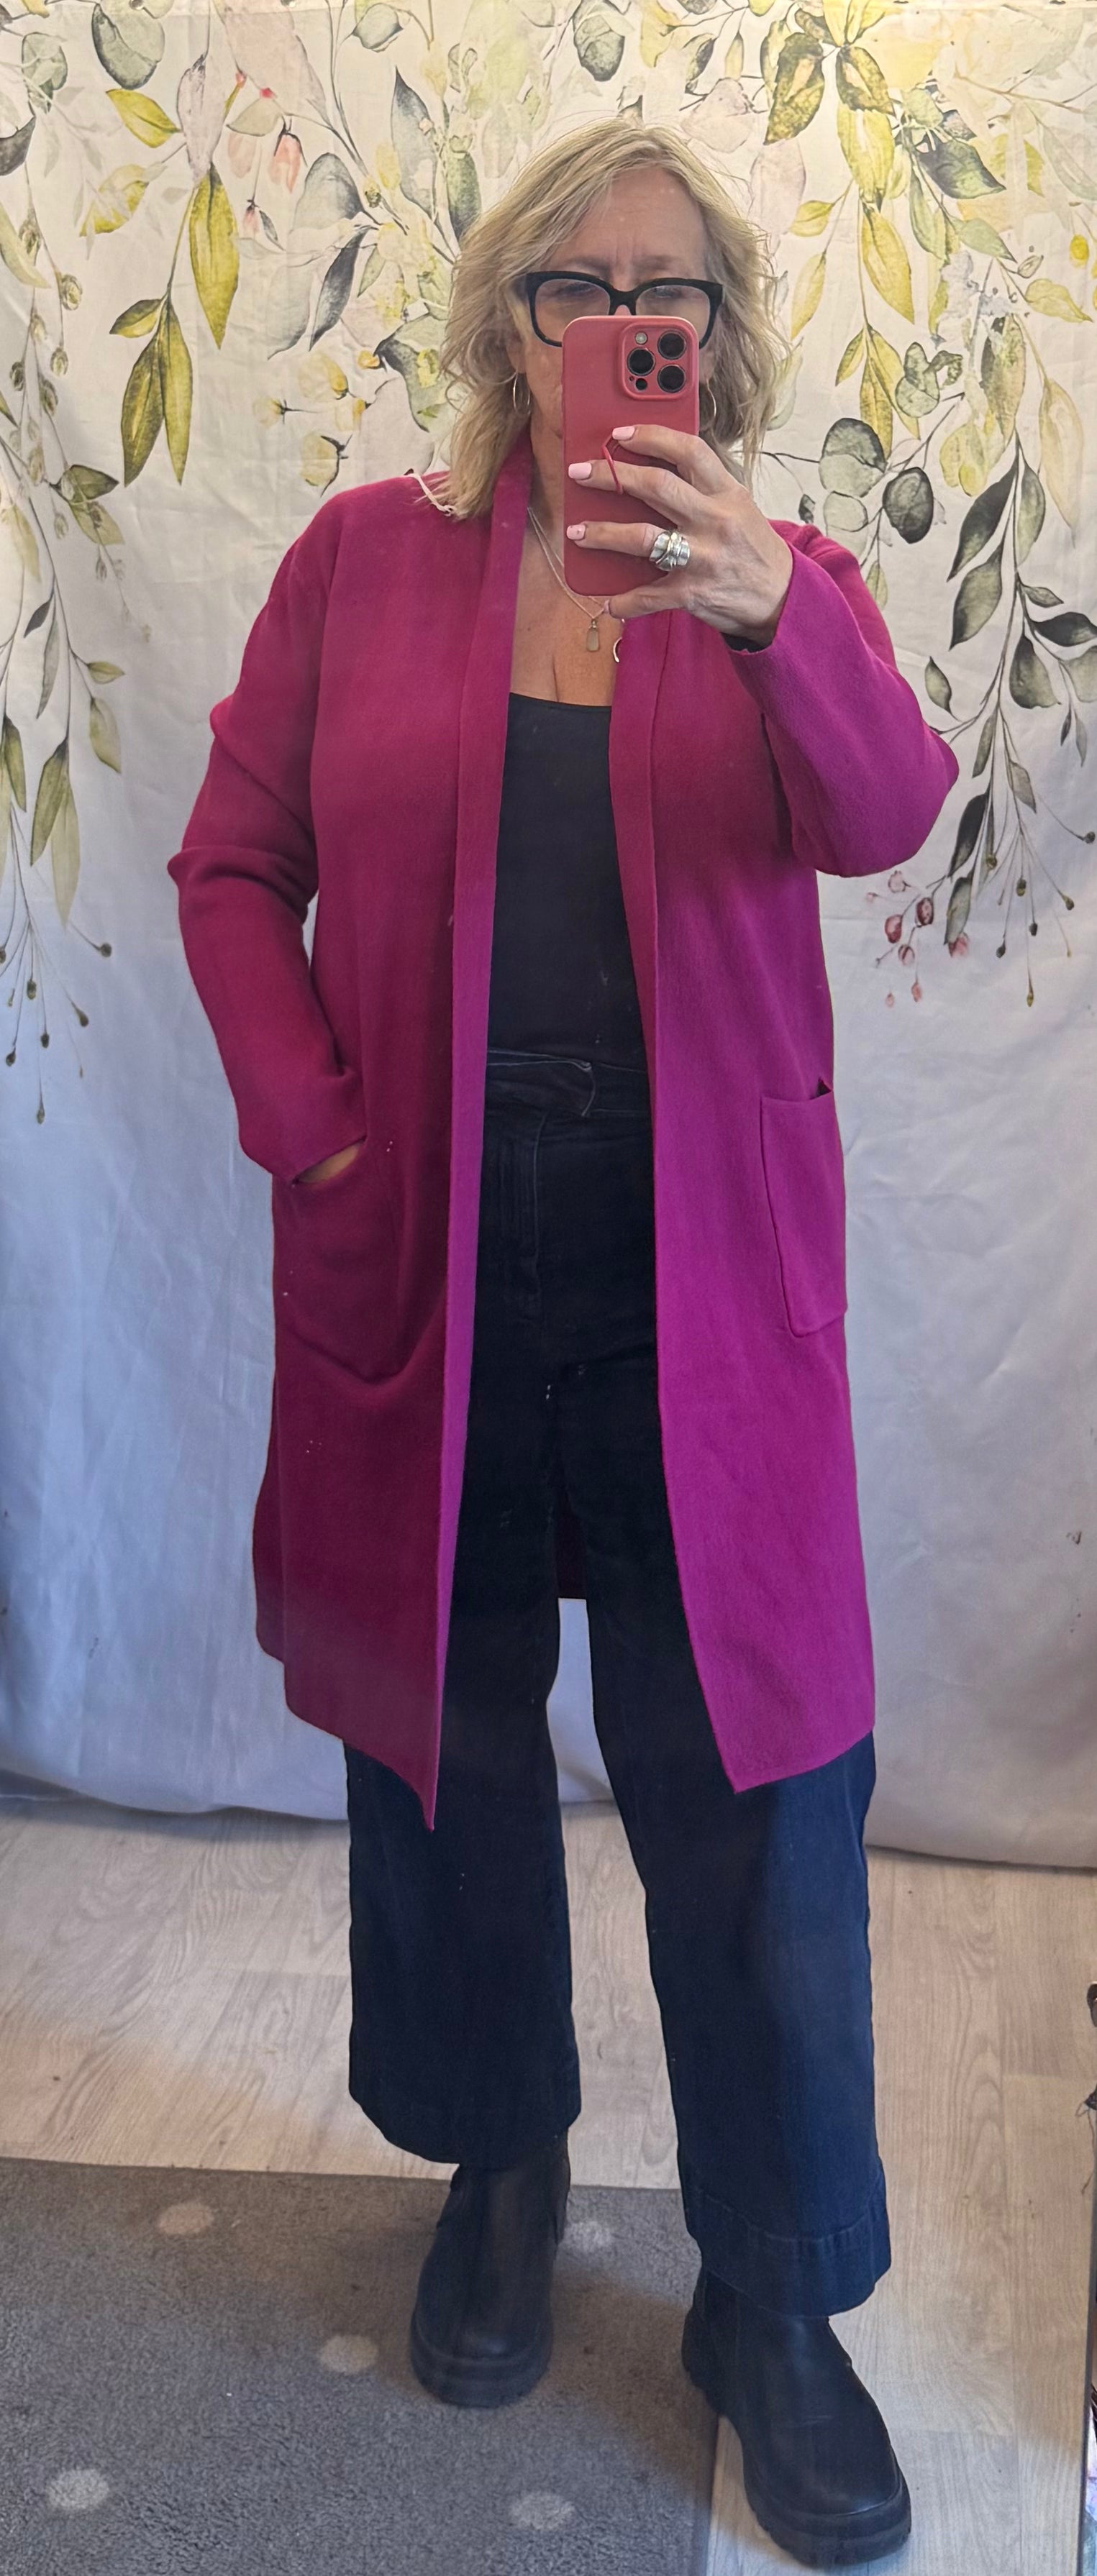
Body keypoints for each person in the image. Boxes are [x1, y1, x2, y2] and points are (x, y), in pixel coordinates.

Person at [168, 115, 958, 2570]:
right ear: (506, 325)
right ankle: (500, 2166)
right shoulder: (358, 567)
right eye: (582, 287)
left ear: (717, 335)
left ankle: (773, 2294)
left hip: (701, 1276)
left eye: (672, 291)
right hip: (427, 1250)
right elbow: (233, 864)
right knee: (452, 1748)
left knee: (759, 1790)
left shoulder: (785, 584)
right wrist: (310, 1129)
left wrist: (773, 610)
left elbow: (887, 812)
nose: (632, 323)